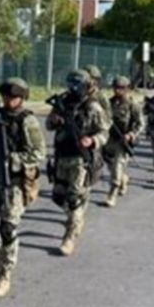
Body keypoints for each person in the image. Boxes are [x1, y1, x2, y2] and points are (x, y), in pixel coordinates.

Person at [0, 78, 45, 298]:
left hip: (15, 182)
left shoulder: (27, 121)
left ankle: (3, 276)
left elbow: (37, 153)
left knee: (8, 228)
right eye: (6, 96)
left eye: (13, 97)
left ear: (22, 98)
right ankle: (7, 249)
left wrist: (12, 159)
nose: (8, 100)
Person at [45, 69, 108, 256]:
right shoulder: (62, 103)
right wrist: (55, 120)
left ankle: (69, 237)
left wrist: (92, 140)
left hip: (81, 159)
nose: (73, 88)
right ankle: (77, 218)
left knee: (74, 200)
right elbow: (49, 125)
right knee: (58, 196)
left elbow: (104, 132)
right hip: (62, 156)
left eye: (77, 85)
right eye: (70, 84)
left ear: (87, 86)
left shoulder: (93, 107)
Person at [103, 76, 143, 207]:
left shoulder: (132, 105)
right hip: (109, 139)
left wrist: (131, 134)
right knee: (110, 164)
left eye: (121, 88)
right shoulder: (108, 103)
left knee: (117, 166)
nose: (117, 90)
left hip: (122, 141)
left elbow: (140, 123)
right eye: (115, 88)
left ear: (127, 89)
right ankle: (123, 179)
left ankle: (112, 194)